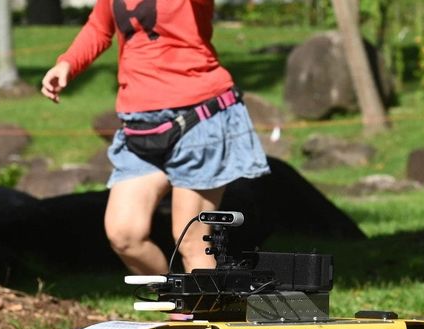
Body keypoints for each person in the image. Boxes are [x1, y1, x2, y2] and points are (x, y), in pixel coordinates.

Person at [41, 0, 269, 275]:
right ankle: (179, 310)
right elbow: (99, 28)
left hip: (197, 118)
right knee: (124, 235)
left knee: (192, 241)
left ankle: (206, 314)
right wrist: (67, 63)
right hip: (139, 126)